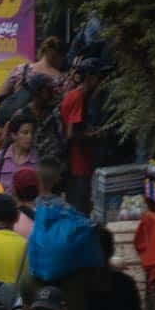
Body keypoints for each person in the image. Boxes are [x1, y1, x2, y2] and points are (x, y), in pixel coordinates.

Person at [59, 57, 115, 213]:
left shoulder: (76, 95)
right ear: (90, 77)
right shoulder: (78, 97)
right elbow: (72, 134)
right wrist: (96, 135)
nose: (102, 81)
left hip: (79, 164)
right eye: (99, 77)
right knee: (80, 210)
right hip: (79, 166)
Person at [0, 113, 41, 191]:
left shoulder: (38, 159)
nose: (29, 137)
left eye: (32, 133)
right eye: (25, 133)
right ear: (14, 135)